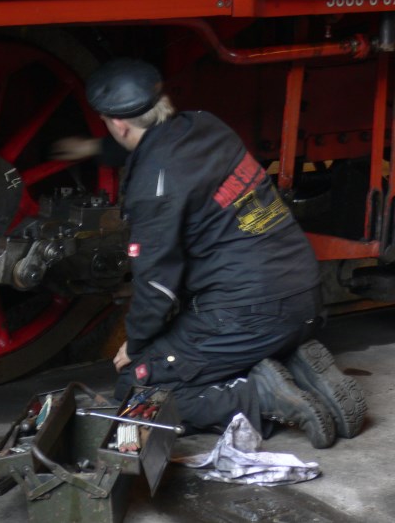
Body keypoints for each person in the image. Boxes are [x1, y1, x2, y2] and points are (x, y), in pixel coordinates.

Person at [54, 58, 366, 448]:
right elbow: (152, 147)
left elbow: (157, 287)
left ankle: (261, 395)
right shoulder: (206, 125)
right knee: (186, 350)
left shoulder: (153, 188)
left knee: (138, 388)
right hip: (302, 294)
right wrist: (92, 149)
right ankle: (289, 359)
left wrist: (136, 345)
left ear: (118, 124)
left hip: (246, 313)